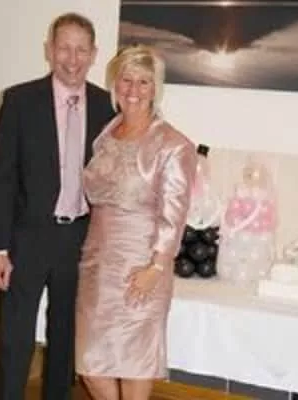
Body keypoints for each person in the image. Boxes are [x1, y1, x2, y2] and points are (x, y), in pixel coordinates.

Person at [0, 12, 114, 400]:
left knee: (65, 343)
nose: (72, 59)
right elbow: (2, 177)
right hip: (26, 240)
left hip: (79, 240)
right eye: (64, 48)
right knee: (15, 342)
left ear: (94, 54)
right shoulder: (19, 101)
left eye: (81, 50)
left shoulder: (106, 106)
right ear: (49, 50)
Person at [75, 44, 197, 400]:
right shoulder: (106, 134)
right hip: (97, 266)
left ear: (155, 88)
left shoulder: (173, 145)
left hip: (141, 267)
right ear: (115, 83)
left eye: (144, 82)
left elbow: (174, 214)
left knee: (133, 365)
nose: (133, 89)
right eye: (126, 80)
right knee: (91, 366)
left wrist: (156, 267)